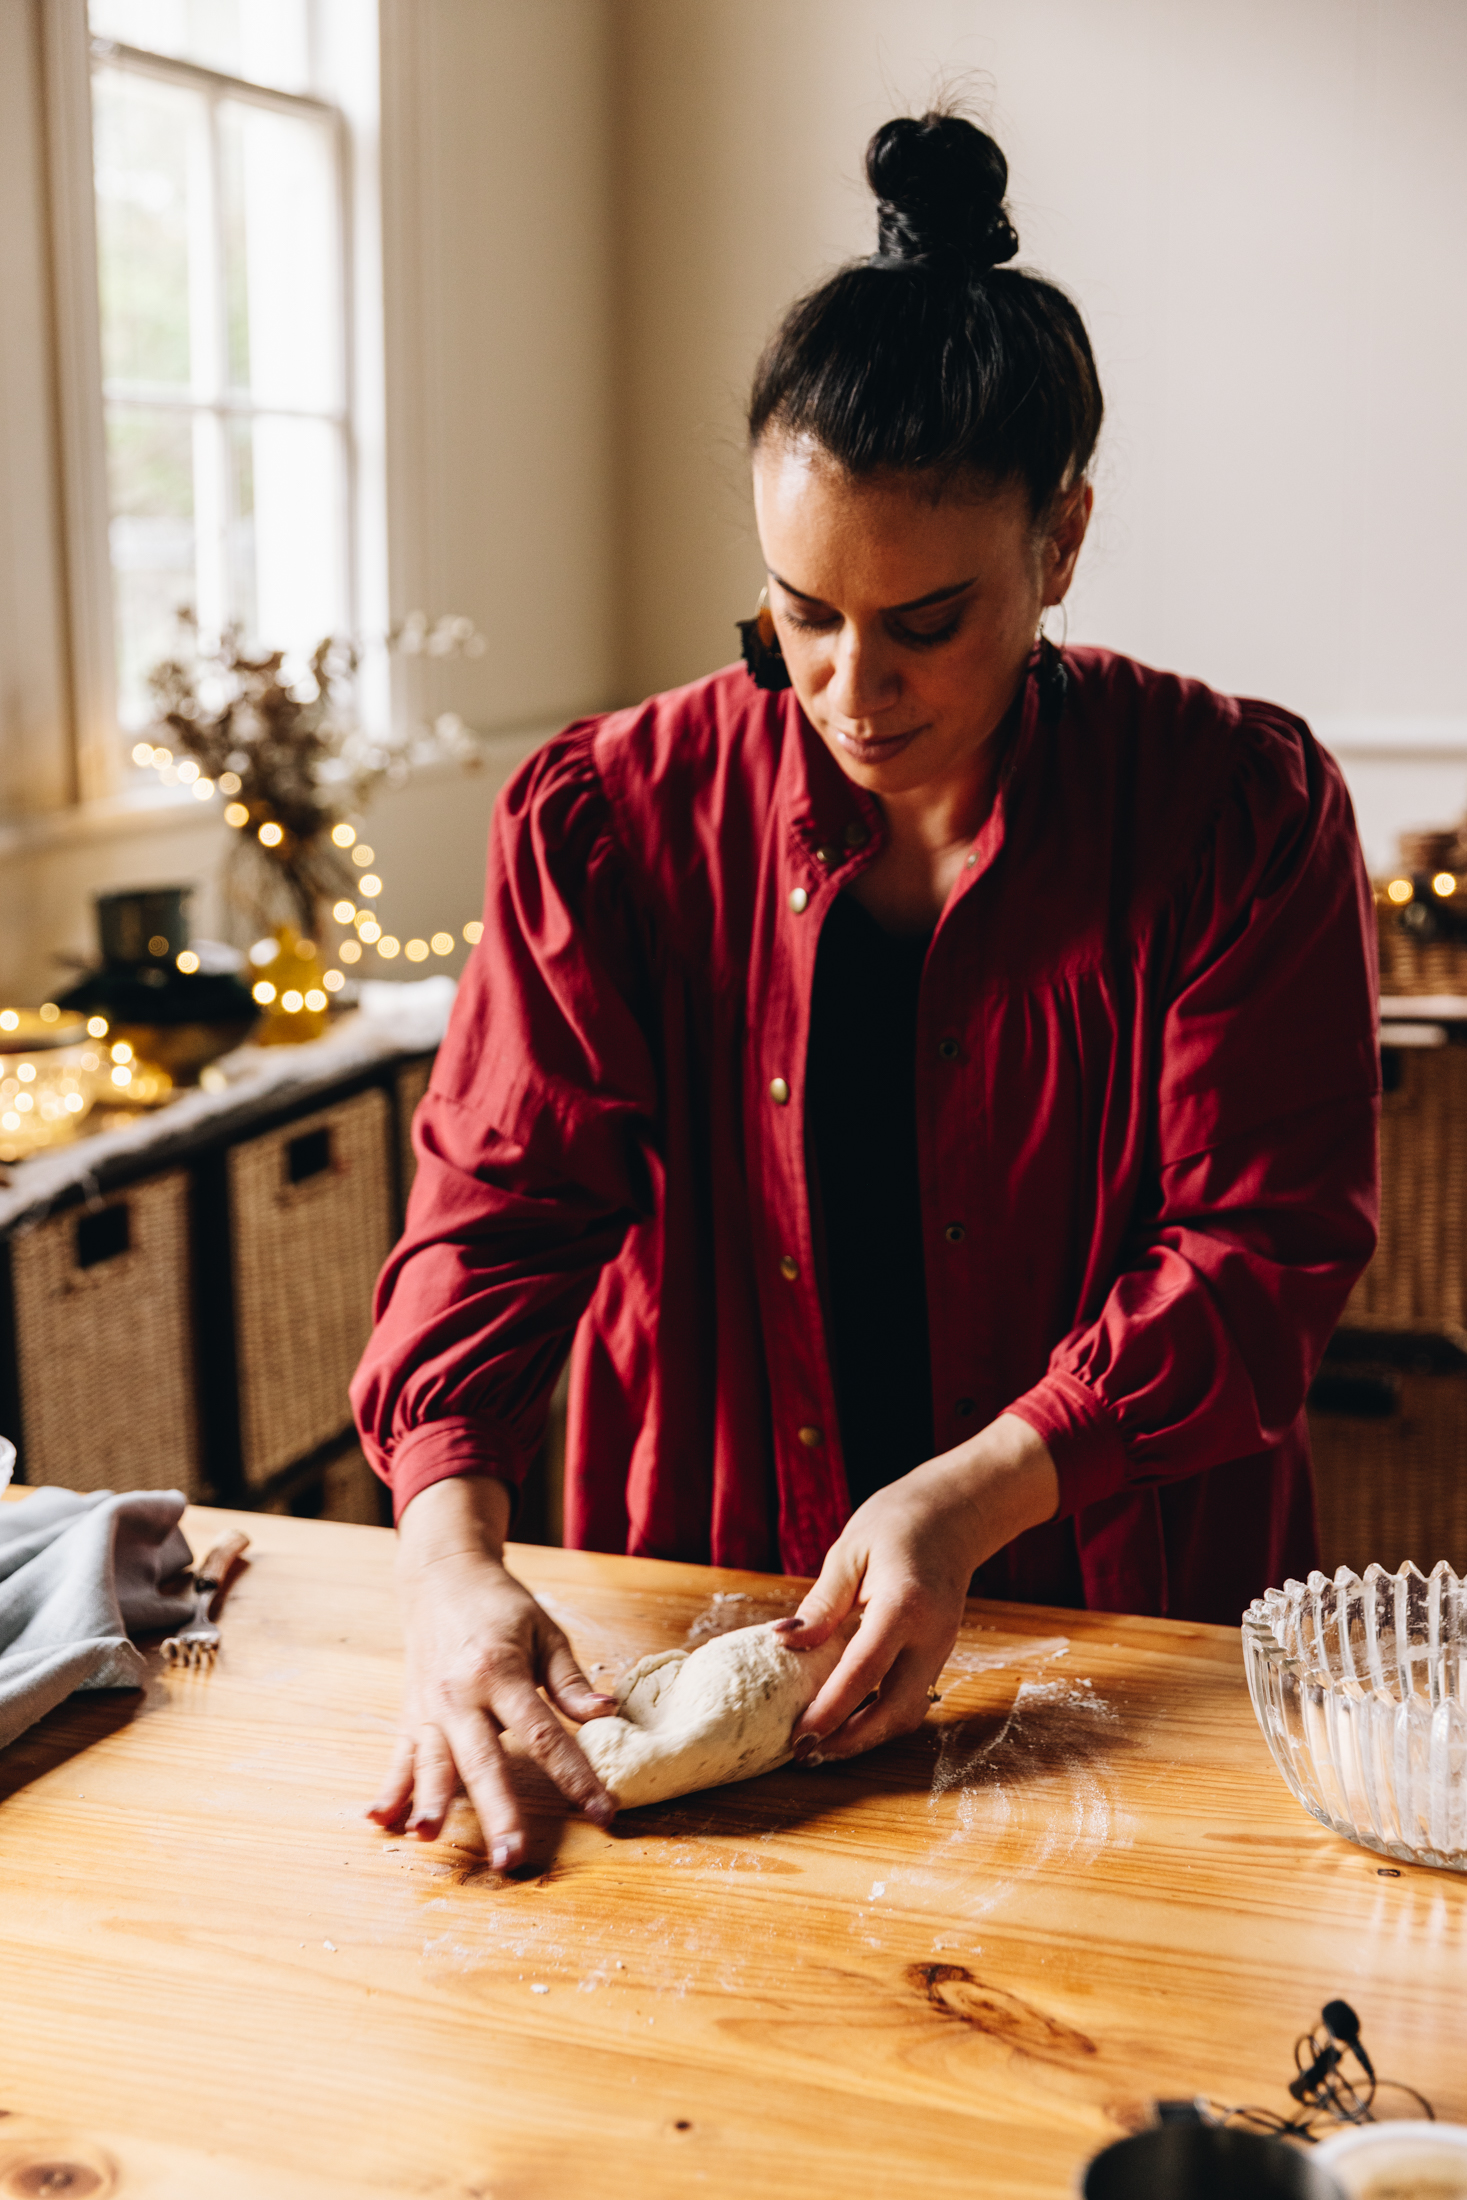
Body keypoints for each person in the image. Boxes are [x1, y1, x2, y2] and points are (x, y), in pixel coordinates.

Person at [351, 111, 1379, 1871]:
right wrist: (449, 1563)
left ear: (1061, 543)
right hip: (703, 1583)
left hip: (1127, 1611)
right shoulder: (613, 816)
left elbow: (1260, 1246)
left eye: (926, 621)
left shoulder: (1235, 810)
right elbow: (497, 1208)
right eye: (801, 612)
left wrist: (977, 1490)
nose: (851, 687)